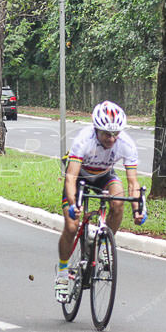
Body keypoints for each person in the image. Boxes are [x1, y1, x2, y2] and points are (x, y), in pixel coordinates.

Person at [55, 101, 147, 303]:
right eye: (107, 134)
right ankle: (62, 273)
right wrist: (73, 205)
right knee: (71, 226)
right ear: (96, 129)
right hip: (80, 177)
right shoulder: (83, 140)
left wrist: (137, 208)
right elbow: (70, 177)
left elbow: (133, 182)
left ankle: (104, 245)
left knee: (118, 200)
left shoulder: (126, 143)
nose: (112, 139)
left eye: (116, 134)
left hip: (105, 176)